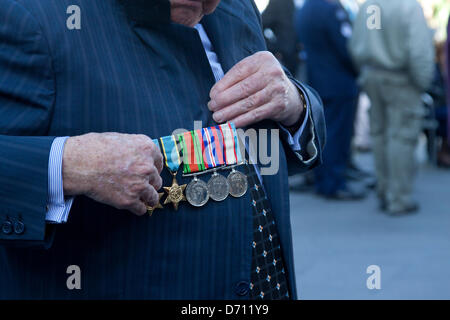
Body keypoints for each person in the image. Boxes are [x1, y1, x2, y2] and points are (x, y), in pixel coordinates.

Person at [0, 0, 325, 299]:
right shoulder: (30, 15)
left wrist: (295, 102)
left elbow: (268, 131)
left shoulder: (236, 7)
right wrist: (67, 165)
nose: (211, 4)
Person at [350, 0, 434, 215]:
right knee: (401, 137)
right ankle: (398, 198)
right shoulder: (408, 7)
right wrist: (423, 82)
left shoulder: (371, 6)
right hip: (401, 79)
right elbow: (419, 51)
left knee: (380, 134)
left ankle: (385, 189)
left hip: (373, 75)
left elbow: (358, 44)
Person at [295, 0, 364, 200]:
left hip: (317, 79)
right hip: (338, 81)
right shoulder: (331, 8)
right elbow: (345, 46)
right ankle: (333, 183)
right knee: (337, 136)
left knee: (321, 135)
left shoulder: (306, 8)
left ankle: (322, 179)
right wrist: (357, 68)